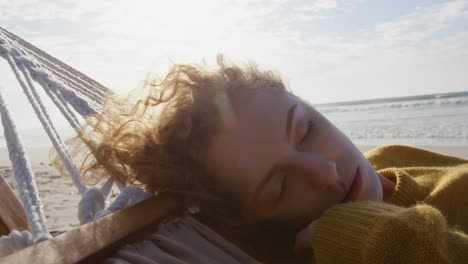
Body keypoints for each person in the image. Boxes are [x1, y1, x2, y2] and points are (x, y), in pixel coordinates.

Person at [64, 55, 468, 263]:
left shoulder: (393, 158)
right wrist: (369, 235)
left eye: (305, 129)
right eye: (280, 186)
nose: (326, 173)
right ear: (254, 221)